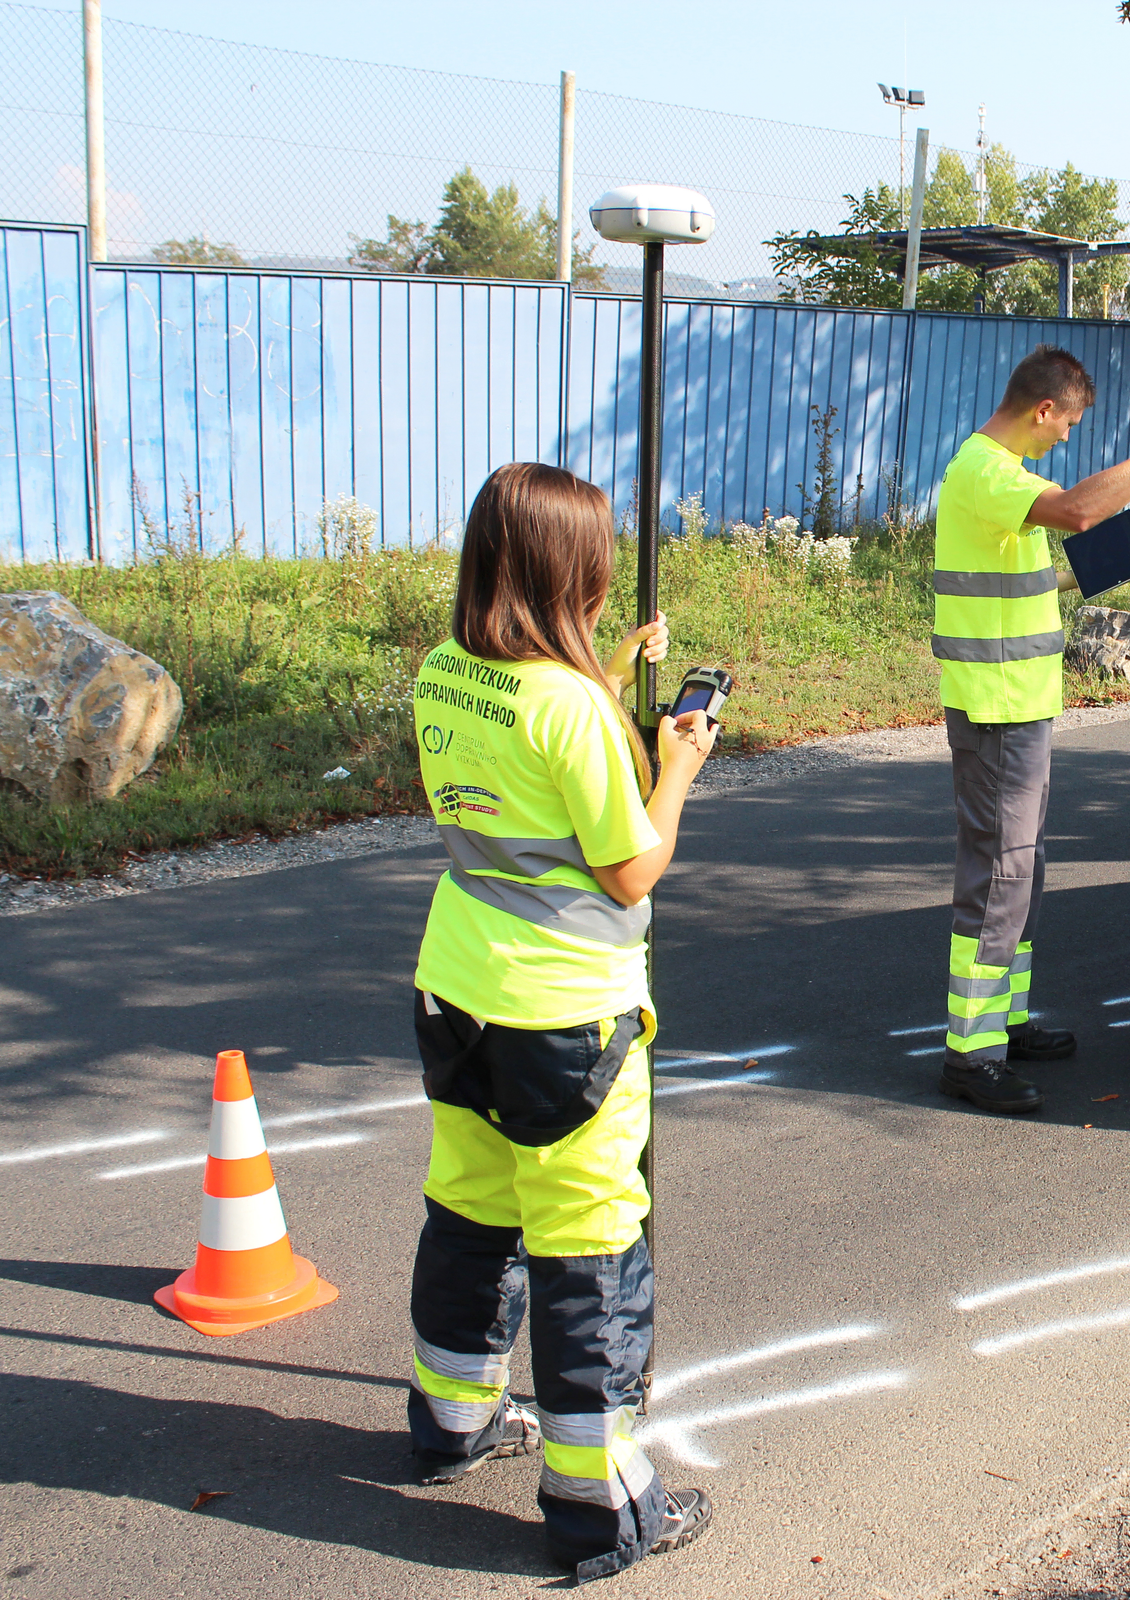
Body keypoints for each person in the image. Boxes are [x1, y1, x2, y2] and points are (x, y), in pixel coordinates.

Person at [404, 461, 717, 1582]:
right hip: (566, 1016)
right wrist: (677, 764)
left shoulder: (444, 672)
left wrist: (611, 668)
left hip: (457, 986)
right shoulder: (571, 708)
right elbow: (631, 867)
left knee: (471, 1206)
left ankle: (451, 1421)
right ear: (565, 570)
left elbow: (520, 757)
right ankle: (600, 1504)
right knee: (588, 1243)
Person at [931, 344, 1130, 1113]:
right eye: (1067, 422)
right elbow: (1080, 510)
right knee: (1000, 875)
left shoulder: (998, 476)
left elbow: (1018, 575)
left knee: (1022, 871)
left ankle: (1005, 1021)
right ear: (1042, 410)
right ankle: (970, 1054)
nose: (1067, 436)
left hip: (1017, 704)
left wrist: (1084, 570)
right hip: (998, 707)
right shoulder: (988, 472)